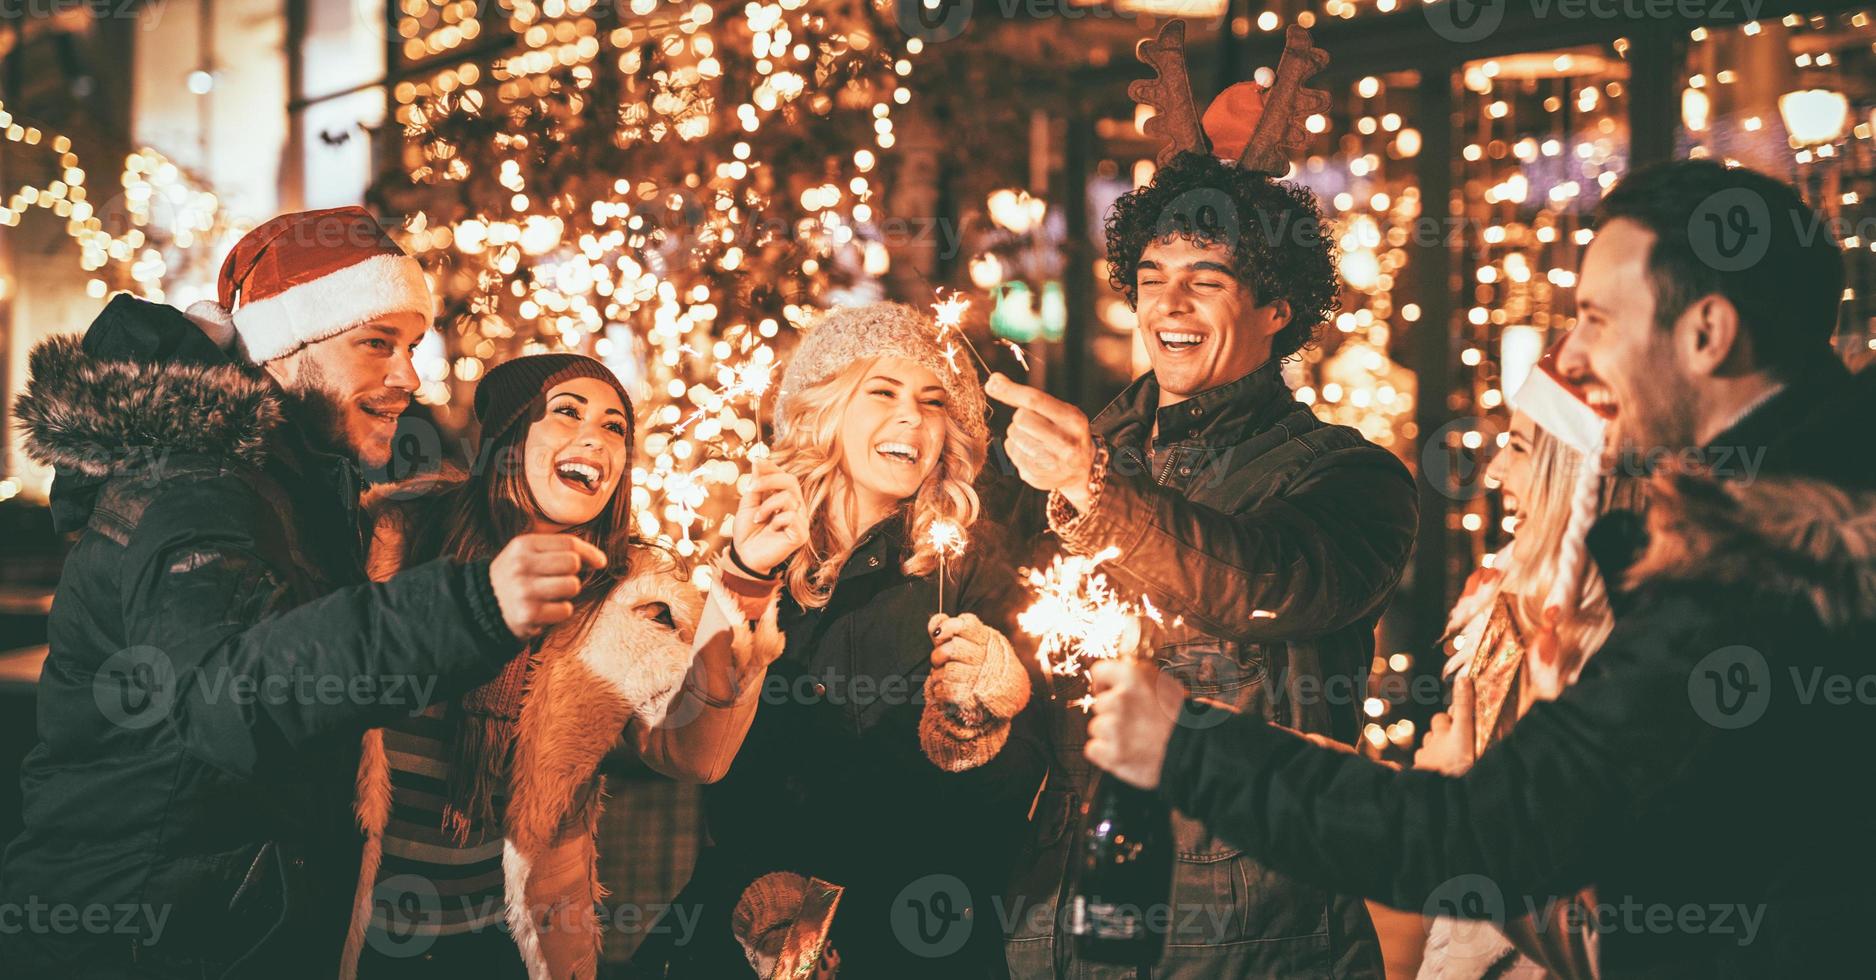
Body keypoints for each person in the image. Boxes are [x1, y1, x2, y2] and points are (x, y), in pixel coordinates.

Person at [1083, 159, 1876, 975]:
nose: (1573, 360)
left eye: (1599, 320)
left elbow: (1500, 836)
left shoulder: (1772, 565)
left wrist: (1186, 748)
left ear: (1707, 333)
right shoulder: (1781, 515)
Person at [0, 207, 598, 976]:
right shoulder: (190, 485)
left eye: (412, 346)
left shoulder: (288, 476)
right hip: (145, 939)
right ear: (286, 348)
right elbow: (228, 694)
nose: (409, 378)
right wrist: (469, 607)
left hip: (219, 922)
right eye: (375, 344)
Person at [991, 22, 1416, 978]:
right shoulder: (1094, 448)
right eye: (1152, 280)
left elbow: (1266, 582)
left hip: (1253, 929)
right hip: (1066, 903)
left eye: (1206, 281)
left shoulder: (1349, 477)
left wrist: (1093, 492)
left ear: (1278, 308)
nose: (1169, 306)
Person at [338, 354, 793, 979]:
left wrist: (748, 574)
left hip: (499, 950)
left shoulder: (622, 597)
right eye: (568, 412)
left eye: (614, 427)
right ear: (508, 436)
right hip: (343, 934)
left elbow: (696, 753)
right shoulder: (389, 539)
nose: (595, 436)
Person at [635, 302, 1048, 978]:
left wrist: (982, 725)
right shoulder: (756, 552)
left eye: (932, 401)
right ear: (824, 409)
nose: (912, 418)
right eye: (882, 392)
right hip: (753, 940)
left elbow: (1015, 790)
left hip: (920, 939)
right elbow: (687, 749)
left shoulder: (977, 564)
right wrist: (762, 900)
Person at [1413, 354, 1644, 980]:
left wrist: (1454, 782)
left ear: (1573, 466)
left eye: (1517, 445)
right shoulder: (1509, 591)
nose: (1493, 469)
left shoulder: (1598, 637)